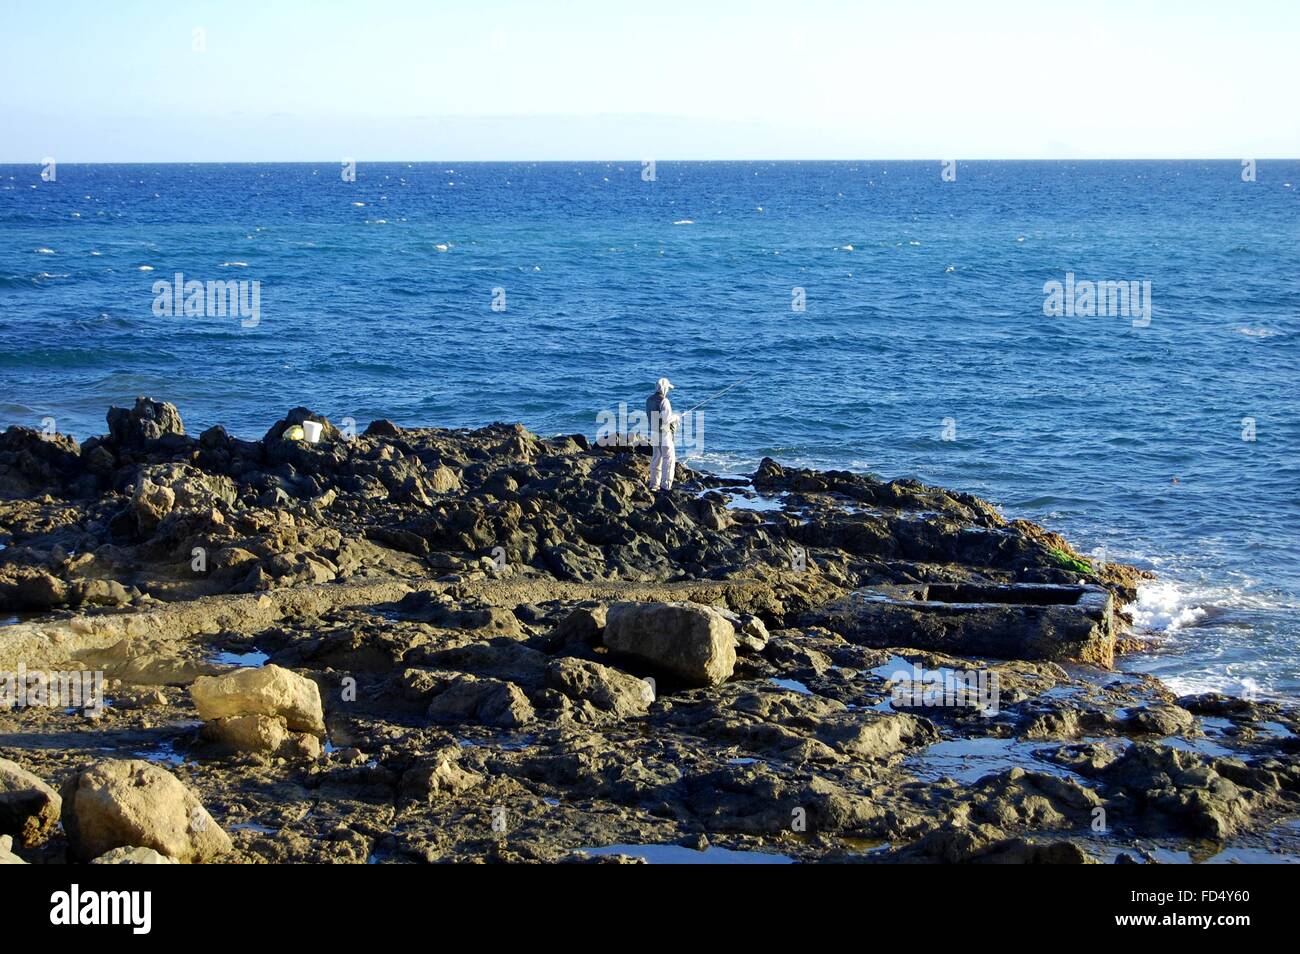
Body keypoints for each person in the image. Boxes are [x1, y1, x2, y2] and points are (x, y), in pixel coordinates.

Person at [645, 377, 679, 491]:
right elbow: (666, 419)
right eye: (667, 388)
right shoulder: (665, 401)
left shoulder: (649, 400)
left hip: (654, 432)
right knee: (668, 459)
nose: (668, 391)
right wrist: (676, 417)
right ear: (664, 388)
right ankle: (665, 486)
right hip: (664, 434)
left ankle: (654, 485)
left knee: (656, 458)